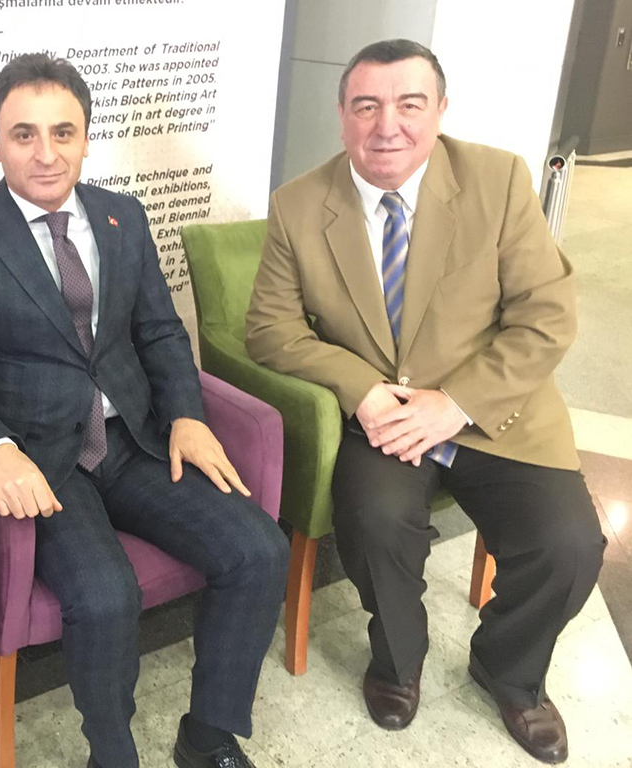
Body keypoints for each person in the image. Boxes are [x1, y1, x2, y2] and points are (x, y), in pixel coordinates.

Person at [0, 53, 289, 768]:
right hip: (40, 460)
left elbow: (158, 331)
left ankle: (208, 735)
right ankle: (111, 754)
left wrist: (186, 414)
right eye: (23, 134)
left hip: (133, 440)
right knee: (105, 594)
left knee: (259, 549)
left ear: (86, 138)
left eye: (63, 132)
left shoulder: (122, 218)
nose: (45, 153)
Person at [245, 39, 605, 765]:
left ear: (440, 110)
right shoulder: (298, 204)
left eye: (409, 104)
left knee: (570, 545)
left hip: (492, 411)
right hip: (382, 418)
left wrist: (456, 402)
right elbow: (268, 328)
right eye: (366, 106)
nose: (388, 125)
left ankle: (508, 669)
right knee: (374, 526)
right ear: (341, 115)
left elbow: (545, 315)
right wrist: (360, 389)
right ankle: (396, 661)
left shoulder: (498, 179)